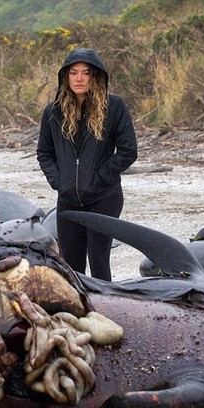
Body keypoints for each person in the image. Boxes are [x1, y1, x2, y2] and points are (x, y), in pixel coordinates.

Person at [37, 48, 137, 281]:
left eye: (86, 73)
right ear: (65, 77)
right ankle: (79, 315)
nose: (79, 78)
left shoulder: (114, 107)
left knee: (99, 262)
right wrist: (59, 182)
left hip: (104, 197)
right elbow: (44, 153)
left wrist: (99, 178)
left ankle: (106, 311)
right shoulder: (53, 113)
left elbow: (128, 151)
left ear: (96, 77)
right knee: (72, 267)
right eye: (74, 73)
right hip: (68, 200)